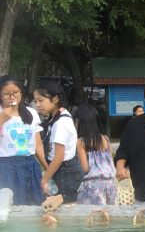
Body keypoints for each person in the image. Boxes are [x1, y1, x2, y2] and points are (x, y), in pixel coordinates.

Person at [34, 79, 84, 207]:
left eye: (41, 100)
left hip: (66, 171)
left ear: (55, 99)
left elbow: (59, 156)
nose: (38, 105)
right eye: (35, 101)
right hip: (63, 169)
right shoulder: (57, 116)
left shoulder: (61, 122)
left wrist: (44, 180)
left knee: (64, 208)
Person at [0, 75, 45, 205]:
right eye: (6, 94)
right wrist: (2, 119)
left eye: (15, 92)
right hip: (6, 166)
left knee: (34, 205)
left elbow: (38, 145)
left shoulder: (31, 112)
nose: (12, 97)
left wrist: (47, 170)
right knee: (10, 206)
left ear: (21, 93)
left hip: (30, 165)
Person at [74, 104, 117, 206]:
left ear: (80, 122)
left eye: (75, 121)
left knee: (92, 217)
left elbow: (85, 169)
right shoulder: (105, 139)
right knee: (109, 215)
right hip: (110, 184)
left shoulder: (81, 142)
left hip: (92, 186)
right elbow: (110, 162)